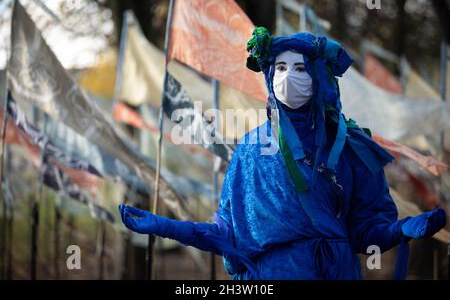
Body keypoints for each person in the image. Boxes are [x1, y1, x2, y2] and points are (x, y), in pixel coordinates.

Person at [119, 28, 446, 280]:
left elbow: (366, 231)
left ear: (319, 78)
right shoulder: (248, 151)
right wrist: (169, 228)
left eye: (301, 68)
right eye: (280, 68)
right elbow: (226, 232)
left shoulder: (349, 146)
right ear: (269, 76)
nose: (289, 77)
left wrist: (398, 230)